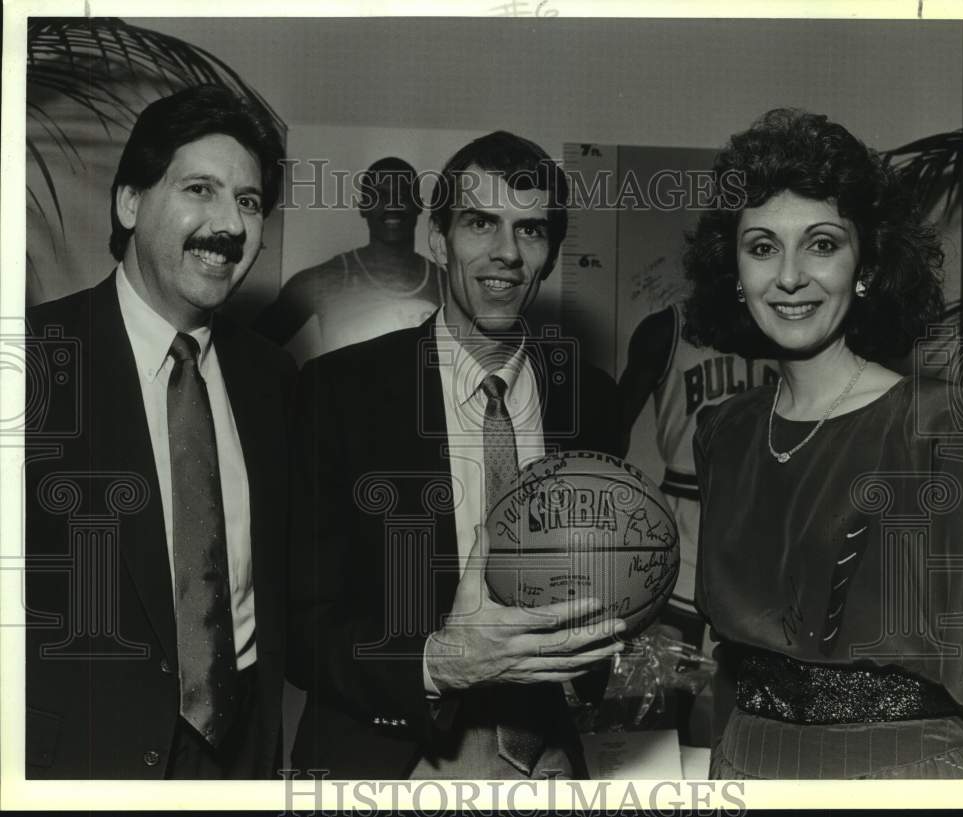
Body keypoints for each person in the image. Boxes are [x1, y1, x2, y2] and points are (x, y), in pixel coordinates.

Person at [287, 131, 626, 779]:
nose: (507, 252)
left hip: (551, 757)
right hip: (394, 761)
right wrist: (439, 663)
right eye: (480, 223)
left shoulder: (591, 398)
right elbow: (301, 625)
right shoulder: (339, 393)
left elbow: (604, 582)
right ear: (438, 240)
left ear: (551, 253)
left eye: (530, 230)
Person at [684, 108, 963, 779]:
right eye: (762, 248)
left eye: (821, 244)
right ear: (734, 272)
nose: (790, 277)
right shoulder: (723, 432)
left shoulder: (940, 425)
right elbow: (727, 660)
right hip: (744, 761)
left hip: (901, 769)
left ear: (864, 263)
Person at [24, 85, 294, 779]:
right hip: (78, 762)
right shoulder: (32, 360)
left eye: (249, 201)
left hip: (238, 761)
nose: (229, 224)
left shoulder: (272, 377)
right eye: (200, 189)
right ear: (130, 202)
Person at [619, 267, 778, 632]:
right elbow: (612, 434)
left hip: (769, 518)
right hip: (686, 515)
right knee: (674, 660)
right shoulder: (666, 330)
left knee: (758, 662)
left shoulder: (792, 326)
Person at [254, 157, 445, 359]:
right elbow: (249, 351)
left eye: (403, 195)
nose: (392, 205)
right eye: (380, 196)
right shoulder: (323, 280)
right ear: (363, 206)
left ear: (419, 205)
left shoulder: (445, 284)